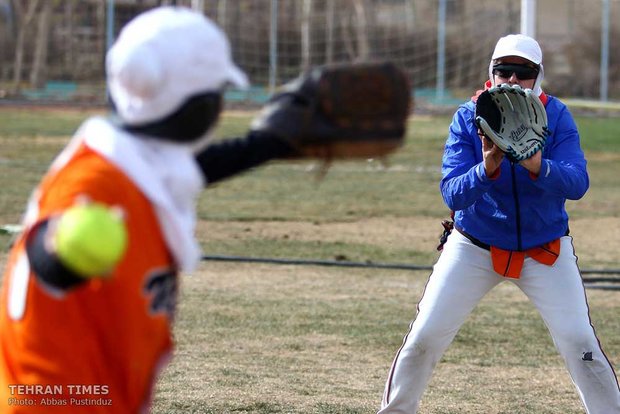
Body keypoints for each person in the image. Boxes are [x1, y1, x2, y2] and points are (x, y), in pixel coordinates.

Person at [0, 6, 298, 413]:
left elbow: (178, 172)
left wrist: (269, 144)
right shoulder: (94, 185)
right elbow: (48, 254)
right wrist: (56, 252)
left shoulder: (124, 164)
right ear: (199, 107)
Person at [378, 34, 620, 413]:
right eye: (503, 70)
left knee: (580, 342)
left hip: (544, 247)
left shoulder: (555, 115)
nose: (512, 79)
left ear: (538, 76)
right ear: (491, 73)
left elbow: (578, 183)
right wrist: (487, 167)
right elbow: (453, 193)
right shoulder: (468, 115)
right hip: (475, 243)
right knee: (424, 337)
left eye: (523, 72)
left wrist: (538, 166)